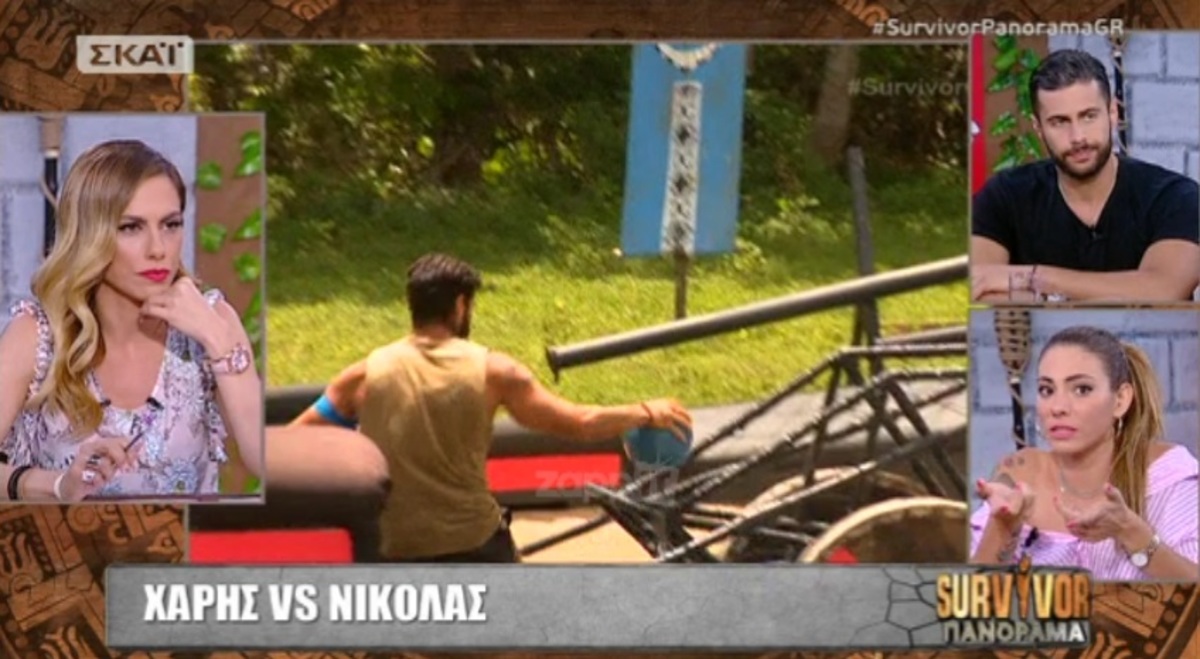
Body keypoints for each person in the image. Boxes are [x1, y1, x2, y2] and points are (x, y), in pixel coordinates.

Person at [290, 253, 693, 563]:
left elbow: (296, 441)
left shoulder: (361, 376)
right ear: (460, 305)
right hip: (472, 544)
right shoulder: (496, 373)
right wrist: (645, 410)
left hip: (392, 549)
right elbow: (580, 423)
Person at [0, 140, 264, 502]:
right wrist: (59, 485)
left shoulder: (213, 322)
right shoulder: (39, 335)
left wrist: (218, 341)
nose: (158, 249)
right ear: (89, 235)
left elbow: (267, 463)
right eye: (130, 227)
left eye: (170, 224)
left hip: (184, 539)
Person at [970, 49, 1200, 303]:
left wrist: (1035, 280)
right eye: (1059, 122)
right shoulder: (1005, 196)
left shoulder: (1174, 197)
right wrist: (1115, 293)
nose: (1077, 137)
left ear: (1113, 112)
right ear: (1039, 128)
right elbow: (979, 288)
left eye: (1089, 116)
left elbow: (1162, 292)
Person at [971, 326, 1198, 580]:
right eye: (1047, 390)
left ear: (1120, 400)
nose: (1057, 407)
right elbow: (969, 596)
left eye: (1081, 389)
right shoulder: (1020, 474)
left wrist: (1131, 532)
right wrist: (1002, 528)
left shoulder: (1168, 475)